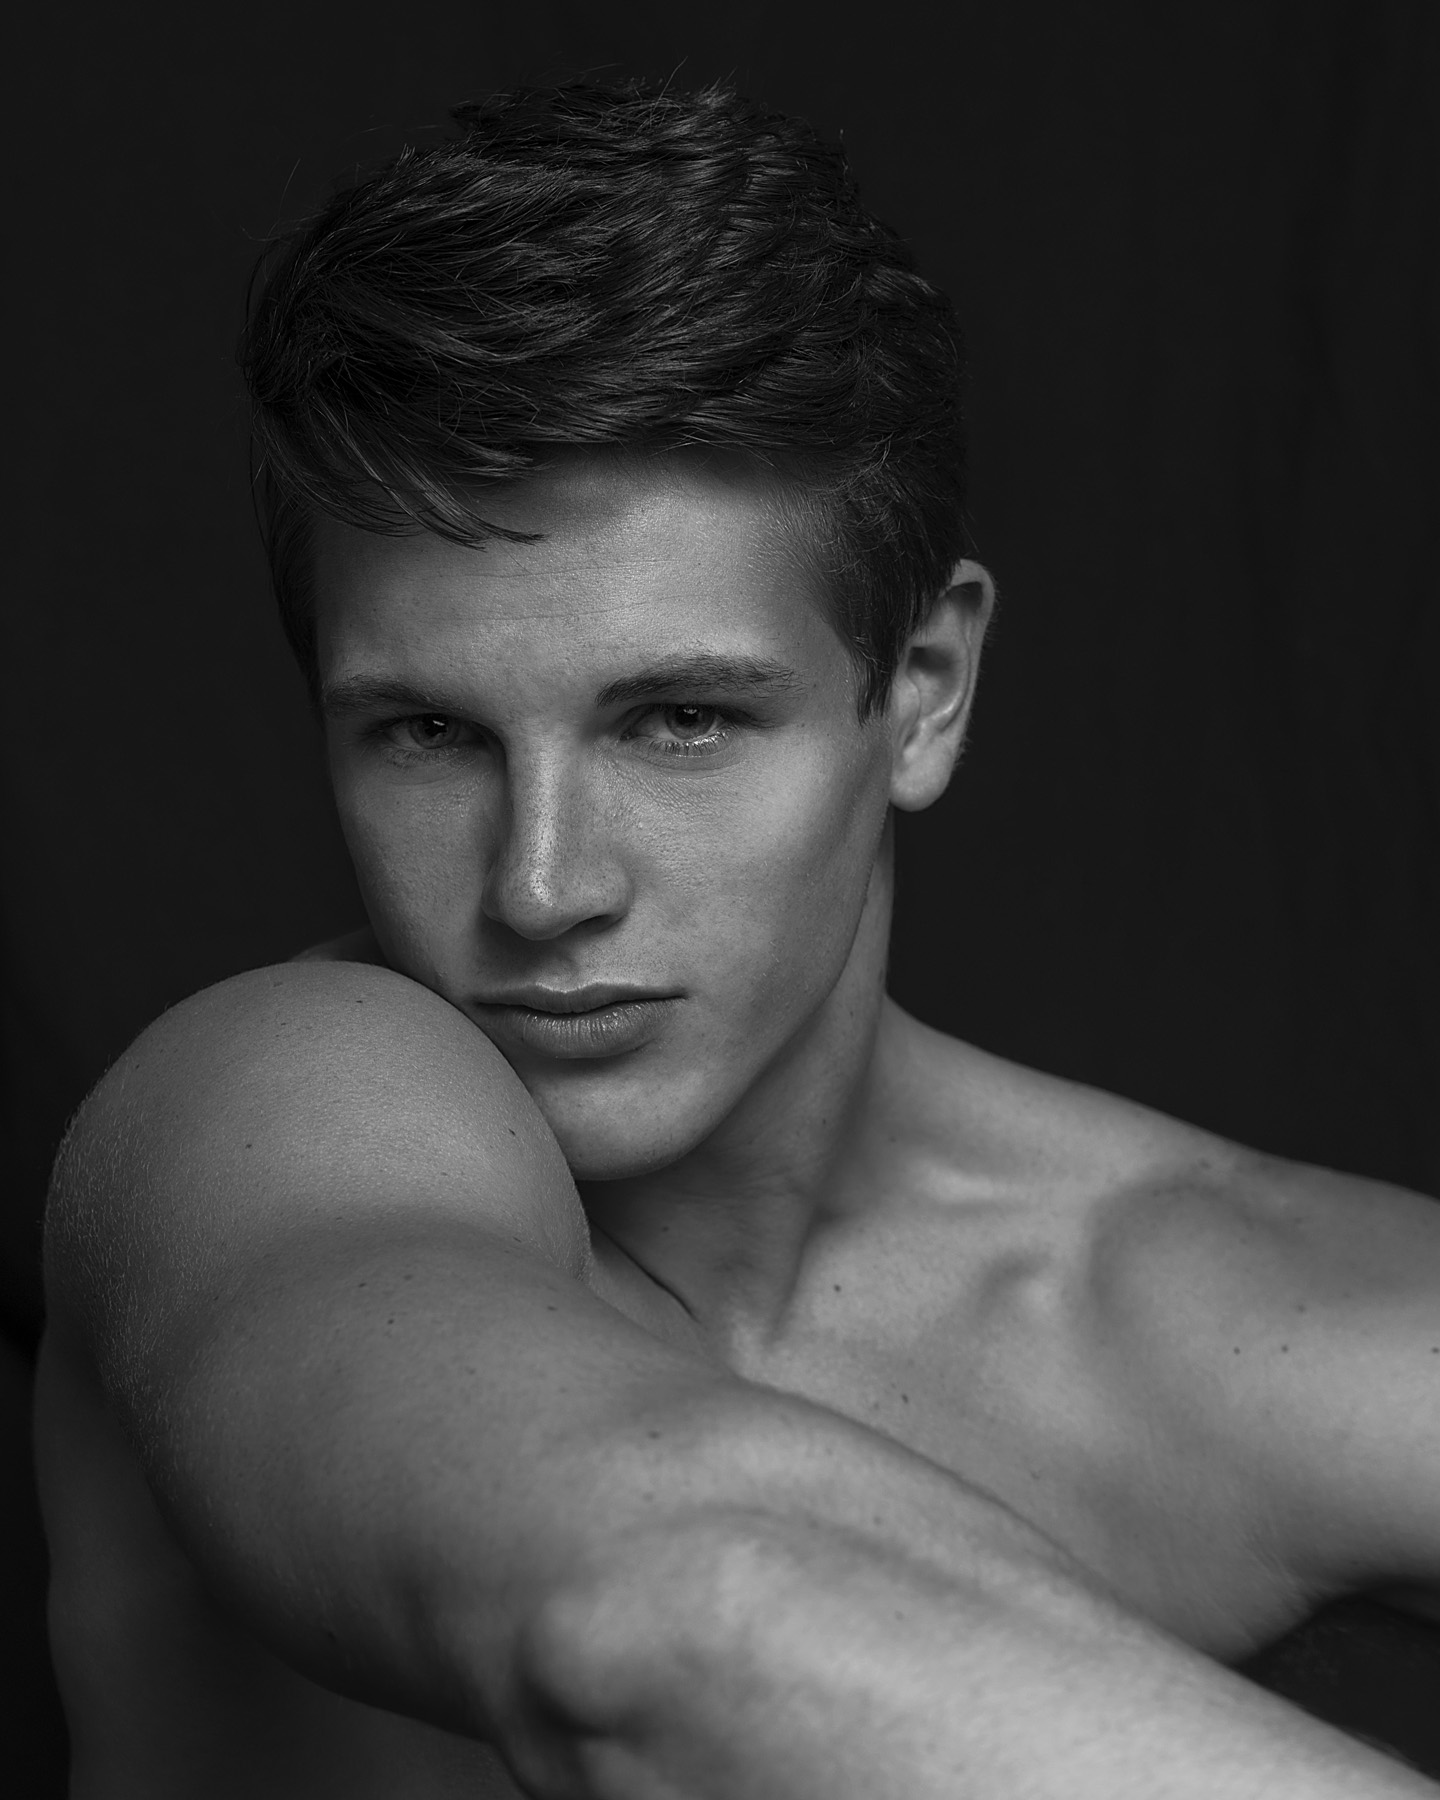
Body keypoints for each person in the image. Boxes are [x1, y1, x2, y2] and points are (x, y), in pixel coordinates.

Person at [36, 79, 1440, 1800]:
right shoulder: (266, 1113)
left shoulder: (1230, 1303)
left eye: (680, 720)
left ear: (922, 694)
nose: (541, 886)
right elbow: (675, 1609)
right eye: (427, 734)